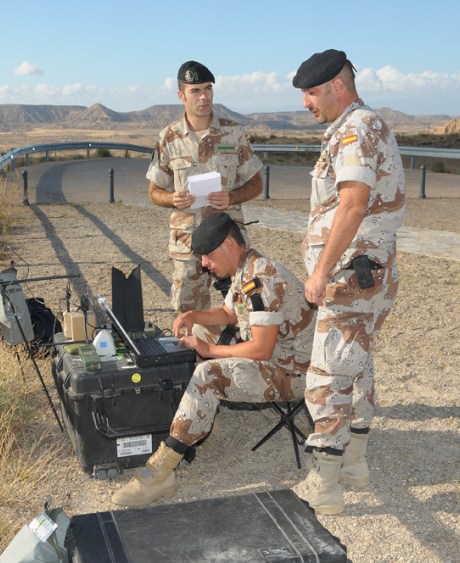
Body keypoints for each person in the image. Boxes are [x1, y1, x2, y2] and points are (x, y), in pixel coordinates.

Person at [111, 212, 315, 507]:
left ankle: (163, 469)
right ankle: (197, 414)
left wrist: (210, 352)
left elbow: (261, 349)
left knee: (209, 373)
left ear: (229, 245)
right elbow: (231, 314)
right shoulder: (246, 268)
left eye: (207, 255)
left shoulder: (261, 279)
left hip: (294, 373)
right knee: (199, 329)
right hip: (278, 360)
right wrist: (193, 315)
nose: (204, 264)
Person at [290, 49, 406, 515]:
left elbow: (354, 203)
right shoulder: (355, 126)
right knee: (356, 364)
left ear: (338, 85)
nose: (306, 103)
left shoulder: (356, 129)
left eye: (313, 93)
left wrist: (319, 273)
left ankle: (326, 482)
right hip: (366, 273)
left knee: (327, 374)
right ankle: (355, 461)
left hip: (347, 278)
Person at [146, 60, 264, 314]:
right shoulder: (169, 137)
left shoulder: (233, 133)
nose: (204, 96)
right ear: (181, 96)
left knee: (243, 309)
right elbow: (154, 192)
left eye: (208, 89)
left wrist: (232, 196)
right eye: (195, 91)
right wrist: (173, 199)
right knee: (189, 315)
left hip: (228, 238)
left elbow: (256, 184)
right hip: (187, 243)